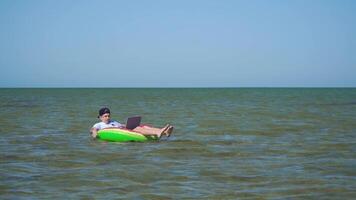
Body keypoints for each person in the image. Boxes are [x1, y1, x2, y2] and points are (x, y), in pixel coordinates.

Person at [90, 107, 173, 139]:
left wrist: (129, 125)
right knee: (137, 128)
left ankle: (164, 131)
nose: (107, 117)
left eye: (108, 115)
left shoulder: (113, 122)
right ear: (100, 117)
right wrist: (95, 136)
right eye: (105, 116)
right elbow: (94, 130)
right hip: (121, 132)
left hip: (124, 129)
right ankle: (159, 132)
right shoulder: (99, 124)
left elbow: (122, 125)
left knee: (143, 126)